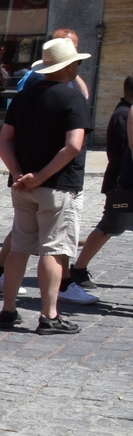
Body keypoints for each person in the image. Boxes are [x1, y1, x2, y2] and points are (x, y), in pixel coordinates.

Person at [0, 28, 96, 303]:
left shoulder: (23, 96)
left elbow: (3, 140)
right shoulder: (72, 98)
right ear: (70, 66)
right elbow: (73, 146)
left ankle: (8, 309)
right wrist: (41, 175)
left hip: (23, 185)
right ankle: (49, 313)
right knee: (52, 251)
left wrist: (19, 173)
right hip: (55, 184)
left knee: (19, 248)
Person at [68, 75, 133, 291]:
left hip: (124, 181)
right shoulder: (124, 114)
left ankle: (78, 268)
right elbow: (127, 151)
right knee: (108, 228)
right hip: (124, 184)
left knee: (109, 229)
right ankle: (77, 268)